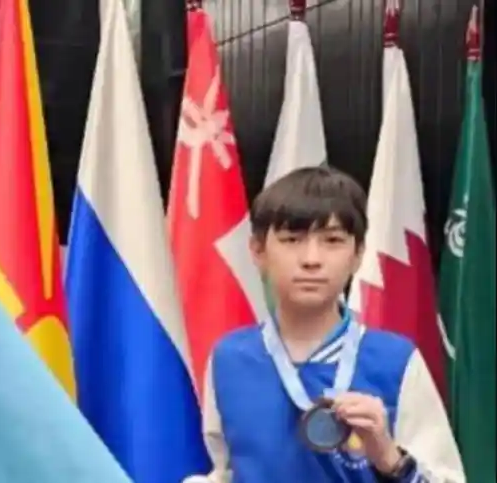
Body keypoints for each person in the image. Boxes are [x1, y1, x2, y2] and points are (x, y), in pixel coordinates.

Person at [184, 166, 465, 482]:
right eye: (292, 239)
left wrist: (391, 460)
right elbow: (226, 471)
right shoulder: (230, 358)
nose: (311, 259)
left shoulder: (395, 362)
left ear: (358, 254)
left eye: (332, 240)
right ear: (258, 251)